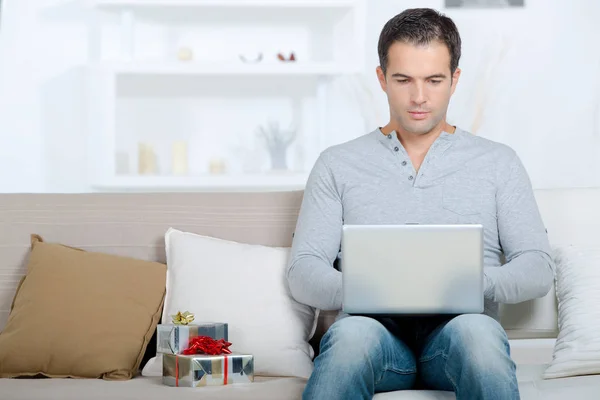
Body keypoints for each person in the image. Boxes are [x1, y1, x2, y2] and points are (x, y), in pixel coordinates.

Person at [285, 7, 555, 400]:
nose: (419, 97)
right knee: (349, 338)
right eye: (403, 80)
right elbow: (302, 270)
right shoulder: (337, 163)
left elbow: (537, 266)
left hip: (460, 336)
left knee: (479, 334)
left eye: (434, 80)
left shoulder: (499, 162)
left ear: (454, 79)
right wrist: (363, 288)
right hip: (373, 336)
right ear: (381, 78)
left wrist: (479, 283)